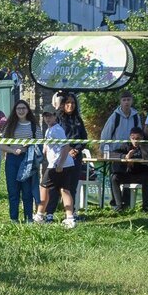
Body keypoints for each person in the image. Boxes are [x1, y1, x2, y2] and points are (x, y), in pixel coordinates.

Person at [45, 92, 87, 220]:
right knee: (54, 187)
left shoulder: (78, 119)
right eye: (68, 102)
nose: (70, 105)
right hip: (60, 157)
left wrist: (77, 149)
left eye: (73, 103)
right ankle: (49, 213)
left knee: (71, 186)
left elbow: (84, 138)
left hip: (75, 157)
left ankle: (70, 213)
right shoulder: (57, 118)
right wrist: (67, 150)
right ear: (63, 104)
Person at [34, 105, 76, 228]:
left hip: (58, 164)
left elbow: (66, 146)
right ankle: (70, 218)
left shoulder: (57, 129)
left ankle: (39, 215)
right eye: (45, 116)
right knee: (64, 189)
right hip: (60, 164)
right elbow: (48, 146)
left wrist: (60, 164)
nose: (47, 118)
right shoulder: (49, 129)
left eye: (50, 116)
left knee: (43, 187)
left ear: (55, 116)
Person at [1, 100, 42, 223]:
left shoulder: (34, 126)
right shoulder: (9, 126)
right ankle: (14, 218)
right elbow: (2, 145)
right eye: (18, 108)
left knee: (27, 191)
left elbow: (40, 144)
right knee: (13, 191)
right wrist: (13, 151)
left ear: (28, 110)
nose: (21, 110)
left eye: (23, 108)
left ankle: (29, 218)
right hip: (12, 160)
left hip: (28, 160)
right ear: (15, 110)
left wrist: (29, 145)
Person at [110, 127, 148, 212]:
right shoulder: (126, 145)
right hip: (129, 175)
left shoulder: (147, 145)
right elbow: (112, 154)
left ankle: (145, 207)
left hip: (142, 174)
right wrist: (125, 156)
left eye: (137, 138)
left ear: (142, 138)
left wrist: (133, 158)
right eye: (133, 138)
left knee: (146, 177)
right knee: (114, 177)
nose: (135, 141)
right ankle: (119, 206)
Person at [100, 91, 143, 155]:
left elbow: (139, 135)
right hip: (116, 151)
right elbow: (106, 135)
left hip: (131, 151)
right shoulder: (115, 116)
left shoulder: (136, 117)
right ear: (120, 102)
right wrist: (104, 151)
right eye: (124, 100)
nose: (126, 102)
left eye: (128, 100)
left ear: (132, 101)